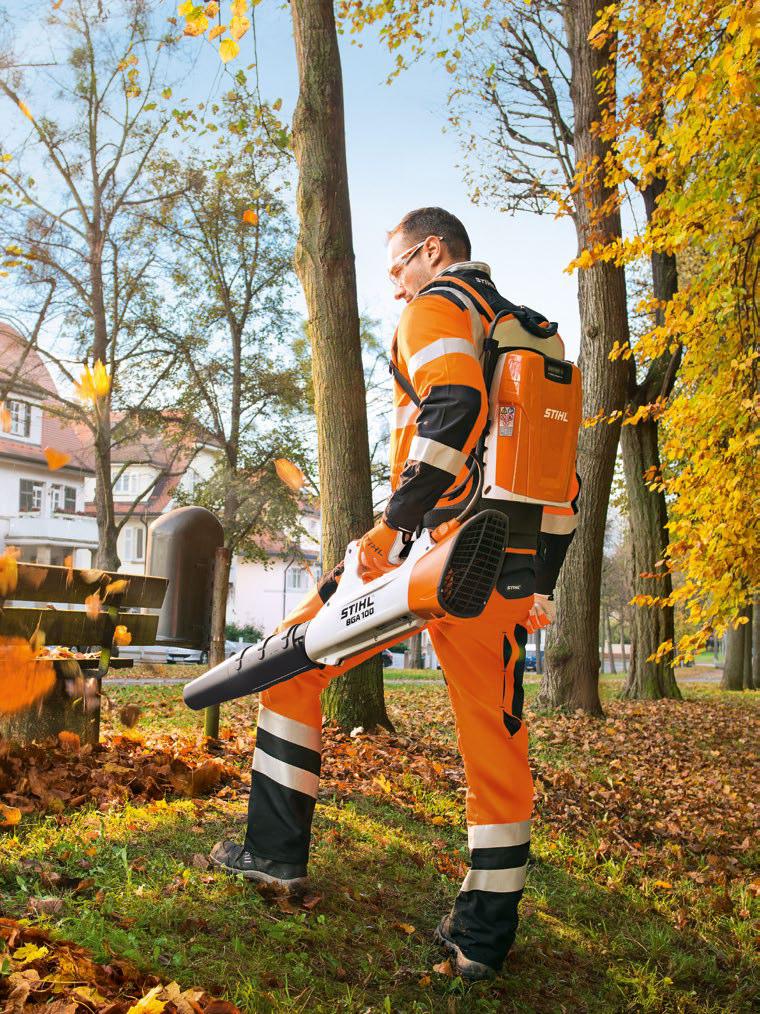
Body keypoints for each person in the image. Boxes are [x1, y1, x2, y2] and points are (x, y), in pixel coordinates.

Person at [210, 207, 580, 981]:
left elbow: (454, 409)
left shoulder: (438, 307)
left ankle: (272, 857)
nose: (393, 283)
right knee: (497, 748)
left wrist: (388, 530)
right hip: (506, 569)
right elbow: (561, 480)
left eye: (397, 265)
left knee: (289, 665)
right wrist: (540, 579)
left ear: (434, 252)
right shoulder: (533, 334)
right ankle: (481, 940)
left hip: (431, 555)